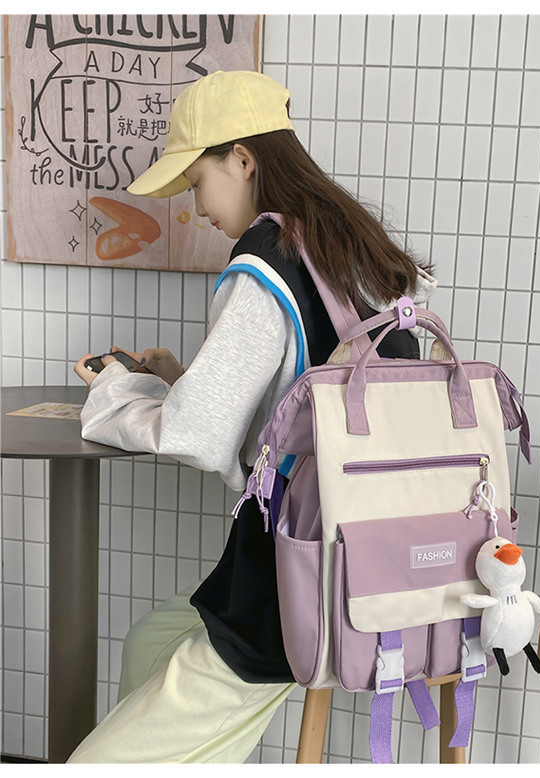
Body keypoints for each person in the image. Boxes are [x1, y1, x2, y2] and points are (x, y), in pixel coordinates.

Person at [68, 70, 436, 763]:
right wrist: (185, 380)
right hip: (353, 558)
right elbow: (306, 394)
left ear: (242, 159)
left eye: (196, 181)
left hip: (284, 592)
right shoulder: (341, 247)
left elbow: (197, 437)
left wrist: (112, 389)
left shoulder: (264, 263)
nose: (195, 206)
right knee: (148, 644)